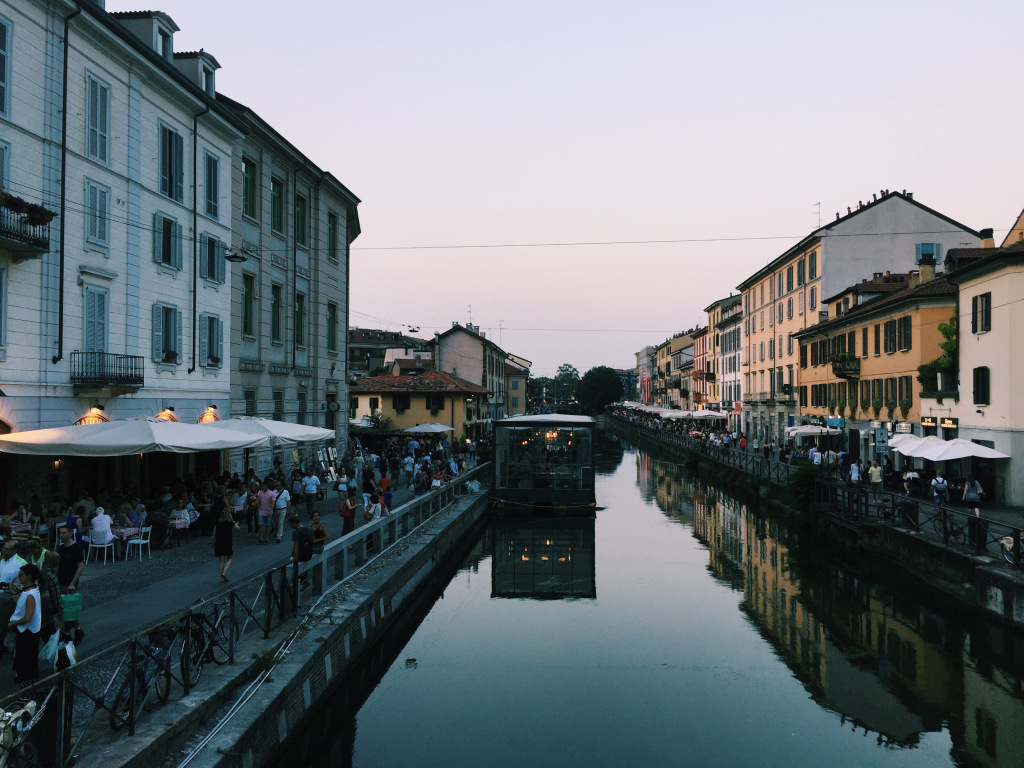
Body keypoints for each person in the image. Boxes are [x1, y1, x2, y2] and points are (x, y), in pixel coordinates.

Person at [9, 564, 42, 684]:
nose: (19, 577)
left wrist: (13, 623)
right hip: (27, 631)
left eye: (21, 575)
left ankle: (28, 684)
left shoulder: (30, 595)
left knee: (27, 661)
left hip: (27, 632)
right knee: (26, 660)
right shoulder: (30, 590)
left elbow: (27, 617)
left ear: (29, 576)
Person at [211, 502, 240, 583]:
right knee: (229, 558)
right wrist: (235, 522)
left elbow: (214, 533)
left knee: (221, 560)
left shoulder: (218, 522)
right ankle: (224, 572)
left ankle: (221, 578)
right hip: (227, 542)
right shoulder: (230, 522)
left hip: (219, 542)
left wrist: (212, 540)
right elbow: (238, 528)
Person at [273, 479, 291, 544]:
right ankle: (276, 531)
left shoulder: (285, 492)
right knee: (276, 523)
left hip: (283, 510)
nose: (277, 487)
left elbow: (288, 501)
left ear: (281, 485)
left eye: (278, 485)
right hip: (275, 510)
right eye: (276, 485)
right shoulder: (273, 492)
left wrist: (290, 509)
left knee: (280, 523)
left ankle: (279, 536)